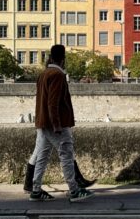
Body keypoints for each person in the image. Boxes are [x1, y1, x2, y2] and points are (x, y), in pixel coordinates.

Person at [27, 44, 94, 202]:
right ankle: (74, 190)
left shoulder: (43, 74)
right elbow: (53, 103)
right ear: (63, 59)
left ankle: (35, 189)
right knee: (66, 154)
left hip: (42, 122)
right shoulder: (57, 75)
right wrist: (57, 125)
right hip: (55, 124)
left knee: (42, 156)